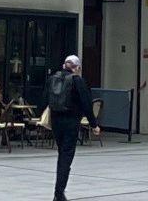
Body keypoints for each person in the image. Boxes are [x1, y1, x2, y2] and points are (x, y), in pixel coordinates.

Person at [46, 54, 98, 201]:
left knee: (62, 153)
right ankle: (59, 193)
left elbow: (45, 98)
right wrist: (94, 124)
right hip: (71, 122)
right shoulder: (77, 81)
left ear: (64, 66)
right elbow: (86, 103)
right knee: (66, 156)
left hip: (56, 121)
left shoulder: (52, 79)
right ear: (77, 68)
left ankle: (59, 192)